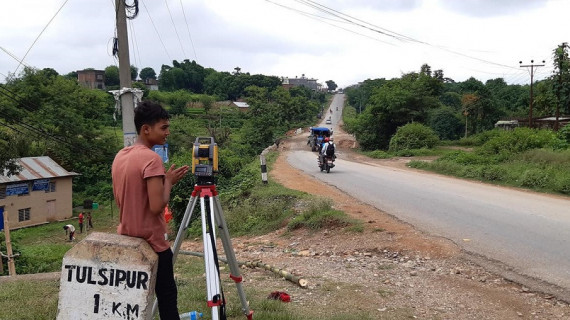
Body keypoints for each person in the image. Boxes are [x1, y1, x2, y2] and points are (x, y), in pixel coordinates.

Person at [112, 100, 189, 320]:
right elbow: (156, 206)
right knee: (167, 299)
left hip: (127, 238)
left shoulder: (120, 156)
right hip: (153, 243)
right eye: (163, 127)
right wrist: (169, 182)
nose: (168, 132)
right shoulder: (152, 159)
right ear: (146, 129)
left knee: (129, 302)